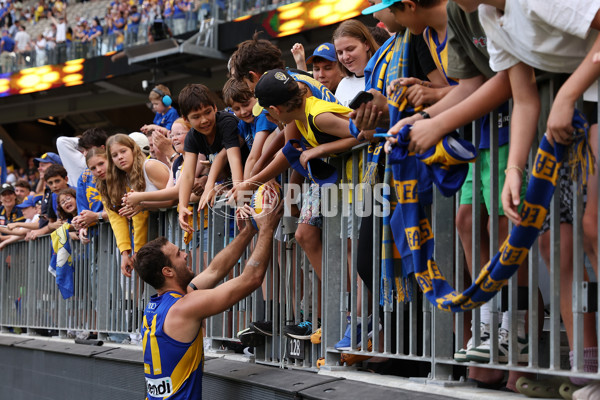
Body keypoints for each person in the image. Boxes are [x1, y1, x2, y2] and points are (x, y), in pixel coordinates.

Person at [135, 188, 282, 400]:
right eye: (178, 255)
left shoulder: (164, 304)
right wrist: (267, 228)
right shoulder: (184, 308)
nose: (185, 254)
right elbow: (251, 279)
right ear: (167, 272)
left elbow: (214, 271)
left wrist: (249, 231)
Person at [247, 69, 360, 339]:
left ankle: (354, 318)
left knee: (349, 248)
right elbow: (289, 152)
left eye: (267, 112)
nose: (266, 117)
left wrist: (321, 149)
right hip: (341, 184)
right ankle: (343, 312)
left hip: (360, 183)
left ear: (275, 109)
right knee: (311, 235)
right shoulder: (301, 115)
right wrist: (250, 182)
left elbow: (363, 133)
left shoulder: (316, 115)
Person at [177, 83, 246, 232]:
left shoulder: (226, 122)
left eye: (207, 112)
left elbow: (234, 159)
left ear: (215, 107)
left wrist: (240, 197)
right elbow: (188, 175)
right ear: (185, 119)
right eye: (196, 117)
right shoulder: (192, 137)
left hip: (248, 179)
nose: (204, 120)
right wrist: (182, 206)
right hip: (235, 186)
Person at [97, 134, 169, 276]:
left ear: (133, 150)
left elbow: (175, 197)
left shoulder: (150, 166)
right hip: (167, 231)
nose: (120, 157)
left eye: (123, 151)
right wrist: (128, 251)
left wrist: (143, 204)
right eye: (115, 155)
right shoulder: (127, 178)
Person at [222, 78, 278, 179]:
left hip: (279, 178)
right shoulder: (243, 124)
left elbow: (253, 158)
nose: (243, 112)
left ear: (256, 97)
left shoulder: (263, 116)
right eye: (237, 109)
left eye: (246, 104)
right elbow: (231, 147)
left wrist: (243, 190)